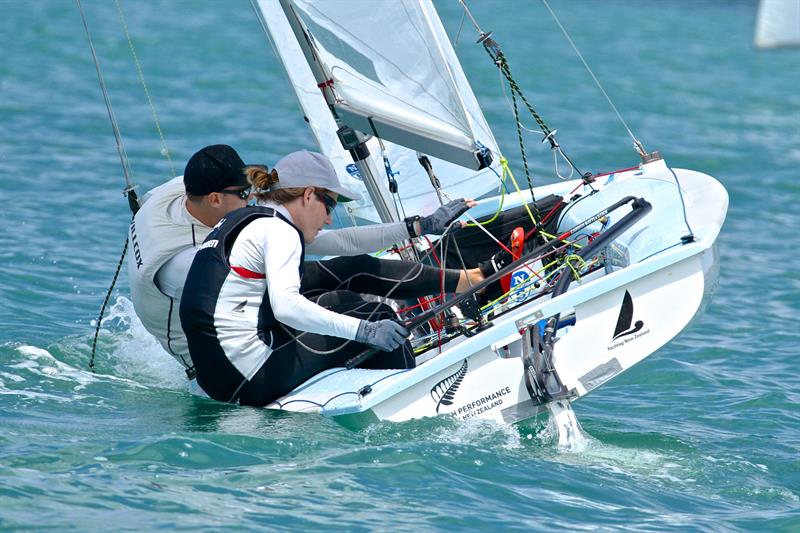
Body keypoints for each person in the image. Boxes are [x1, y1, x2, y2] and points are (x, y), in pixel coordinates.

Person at [180, 150, 481, 406]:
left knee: (345, 302)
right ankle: (409, 404)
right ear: (309, 194)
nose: (327, 218)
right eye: (330, 205)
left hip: (218, 380)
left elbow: (346, 242)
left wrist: (420, 226)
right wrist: (365, 331)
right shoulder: (278, 230)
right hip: (249, 377)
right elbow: (286, 307)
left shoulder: (254, 220)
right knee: (376, 314)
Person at [128, 144, 252, 376]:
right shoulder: (186, 262)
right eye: (244, 193)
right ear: (215, 199)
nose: (252, 197)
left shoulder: (176, 189)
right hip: (211, 367)